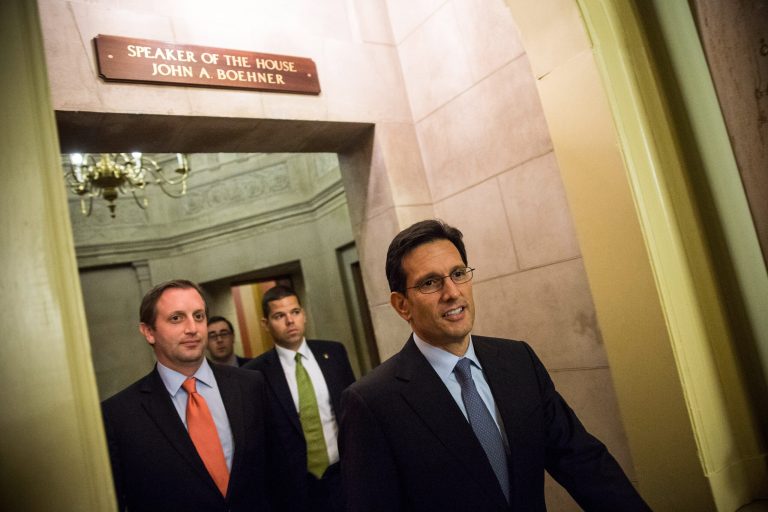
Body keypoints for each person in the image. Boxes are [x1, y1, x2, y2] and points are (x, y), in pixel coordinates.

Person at [339, 220, 651, 511]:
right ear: (402, 305)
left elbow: (584, 462)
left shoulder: (519, 361)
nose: (452, 293)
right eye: (430, 283)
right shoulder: (372, 402)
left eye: (458, 274)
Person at [101, 279, 273, 512]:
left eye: (199, 316)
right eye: (176, 318)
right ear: (149, 332)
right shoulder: (119, 415)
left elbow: (277, 471)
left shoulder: (250, 385)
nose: (192, 328)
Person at [244, 285, 355, 512]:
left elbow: (353, 415)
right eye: (279, 316)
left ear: (303, 314)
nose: (290, 321)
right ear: (266, 323)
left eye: (294, 312)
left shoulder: (334, 353)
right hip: (294, 491)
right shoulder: (254, 374)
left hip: (344, 477)